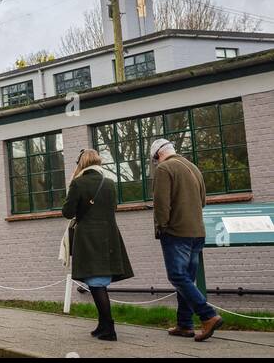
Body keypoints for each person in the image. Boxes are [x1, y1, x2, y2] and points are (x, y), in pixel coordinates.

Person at [151, 138, 223, 341]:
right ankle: (185, 324)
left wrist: (161, 227)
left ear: (158, 155)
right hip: (197, 231)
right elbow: (203, 201)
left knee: (177, 276)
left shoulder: (164, 169)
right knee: (187, 278)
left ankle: (208, 315)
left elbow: (161, 204)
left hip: (176, 232)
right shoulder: (193, 167)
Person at [61, 149, 134, 341]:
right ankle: (102, 325)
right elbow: (114, 208)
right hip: (108, 236)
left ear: (81, 164)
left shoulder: (78, 183)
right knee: (98, 283)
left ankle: (109, 328)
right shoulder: (109, 183)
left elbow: (68, 212)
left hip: (89, 238)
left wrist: (71, 186)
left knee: (96, 283)